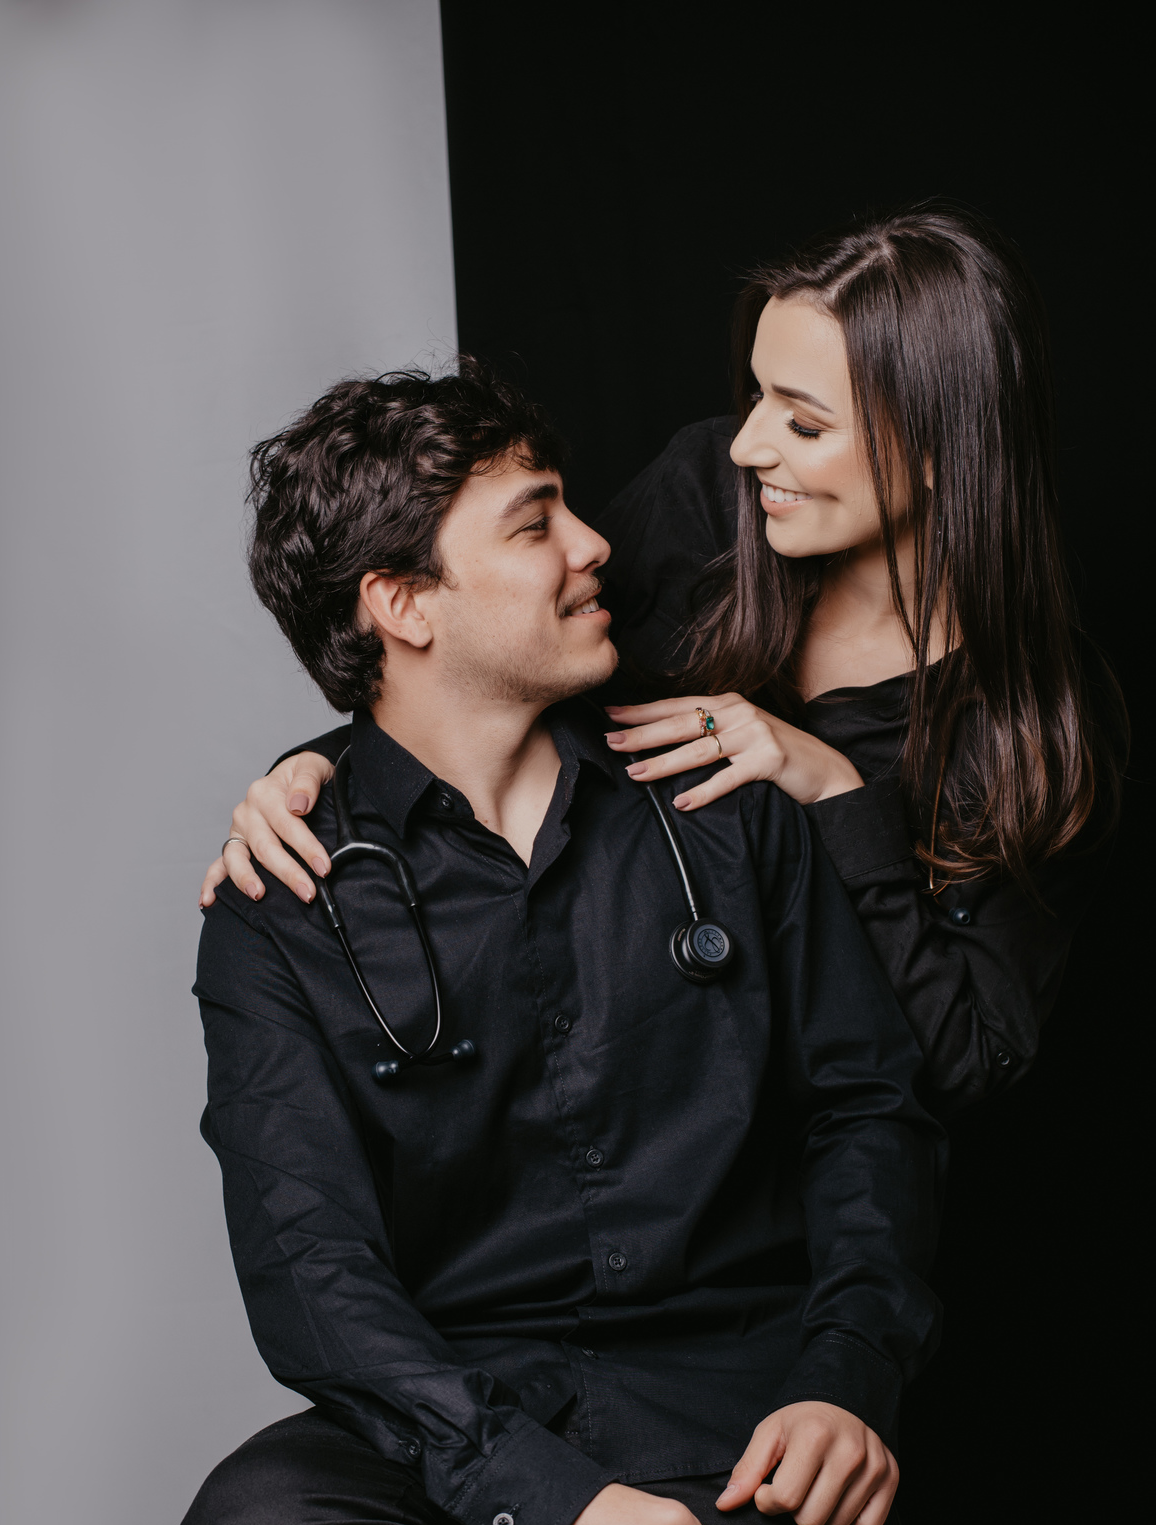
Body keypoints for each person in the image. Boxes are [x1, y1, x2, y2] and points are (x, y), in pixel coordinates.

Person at [176, 361, 1066, 1525]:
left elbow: (872, 1113)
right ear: (402, 605)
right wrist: (543, 1504)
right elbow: (313, 1271)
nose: (596, 544)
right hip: (470, 1419)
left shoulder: (722, 802)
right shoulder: (283, 903)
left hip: (749, 1428)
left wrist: (847, 1380)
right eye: (536, 525)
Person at [202, 203, 1125, 1122]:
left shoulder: (1040, 720)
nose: (748, 446)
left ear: (937, 451)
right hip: (646, 1111)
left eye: (805, 426)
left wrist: (837, 794)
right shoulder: (708, 501)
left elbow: (969, 1056)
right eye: (756, 396)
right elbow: (501, 643)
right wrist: (327, 767)